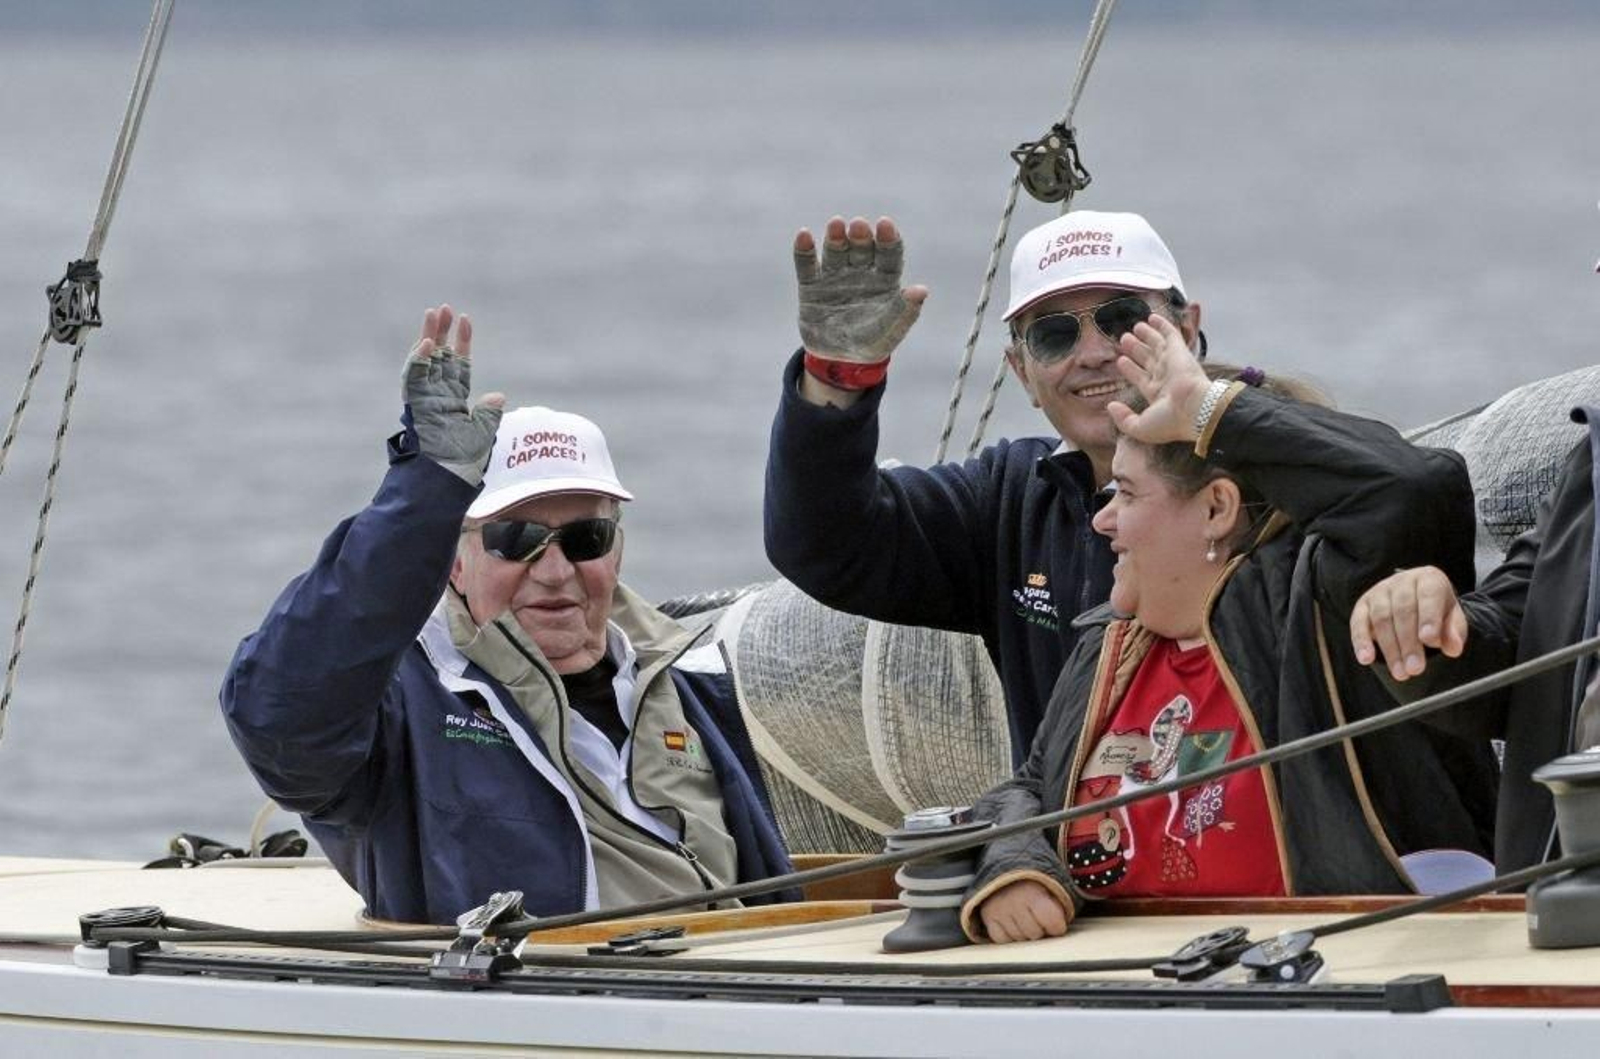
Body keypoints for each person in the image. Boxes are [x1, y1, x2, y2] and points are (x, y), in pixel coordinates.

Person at [222, 305, 796, 925]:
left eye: (586, 539)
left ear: (619, 548)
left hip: (735, 994)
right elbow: (277, 716)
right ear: (454, 561)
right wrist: (425, 491)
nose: (554, 571)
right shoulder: (399, 710)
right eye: (514, 539)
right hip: (539, 1013)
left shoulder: (692, 684)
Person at [956, 315, 1498, 944]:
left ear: (1217, 508)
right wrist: (1016, 866)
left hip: (1330, 988)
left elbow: (1415, 486)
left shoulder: (1323, 603)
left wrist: (1210, 410)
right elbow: (1029, 788)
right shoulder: (1109, 640)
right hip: (1137, 999)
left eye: (1126, 495)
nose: (1103, 521)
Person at [765, 210, 1208, 758]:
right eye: (1053, 335)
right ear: (1021, 371)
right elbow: (827, 546)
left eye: (1121, 320)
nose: (1094, 354)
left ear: (1186, 331)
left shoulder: (1268, 476)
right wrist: (836, 376)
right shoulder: (1012, 498)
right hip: (1062, 841)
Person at [1350, 417, 1600, 874]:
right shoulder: (1593, 460)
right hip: (1569, 887)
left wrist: (1213, 408)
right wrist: (1432, 623)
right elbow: (1519, 639)